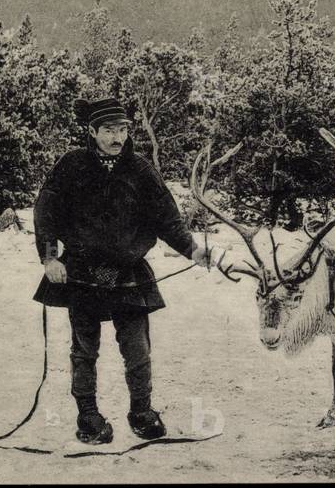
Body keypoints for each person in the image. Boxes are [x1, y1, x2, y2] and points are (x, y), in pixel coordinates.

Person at [33, 97, 218, 444]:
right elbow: (46, 213)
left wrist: (193, 250)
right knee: (83, 350)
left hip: (129, 274)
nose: (117, 138)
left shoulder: (141, 170)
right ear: (92, 131)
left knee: (138, 350)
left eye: (122, 130)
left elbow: (168, 218)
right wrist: (49, 258)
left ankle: (142, 413)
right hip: (81, 273)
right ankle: (88, 418)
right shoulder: (71, 165)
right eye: (108, 130)